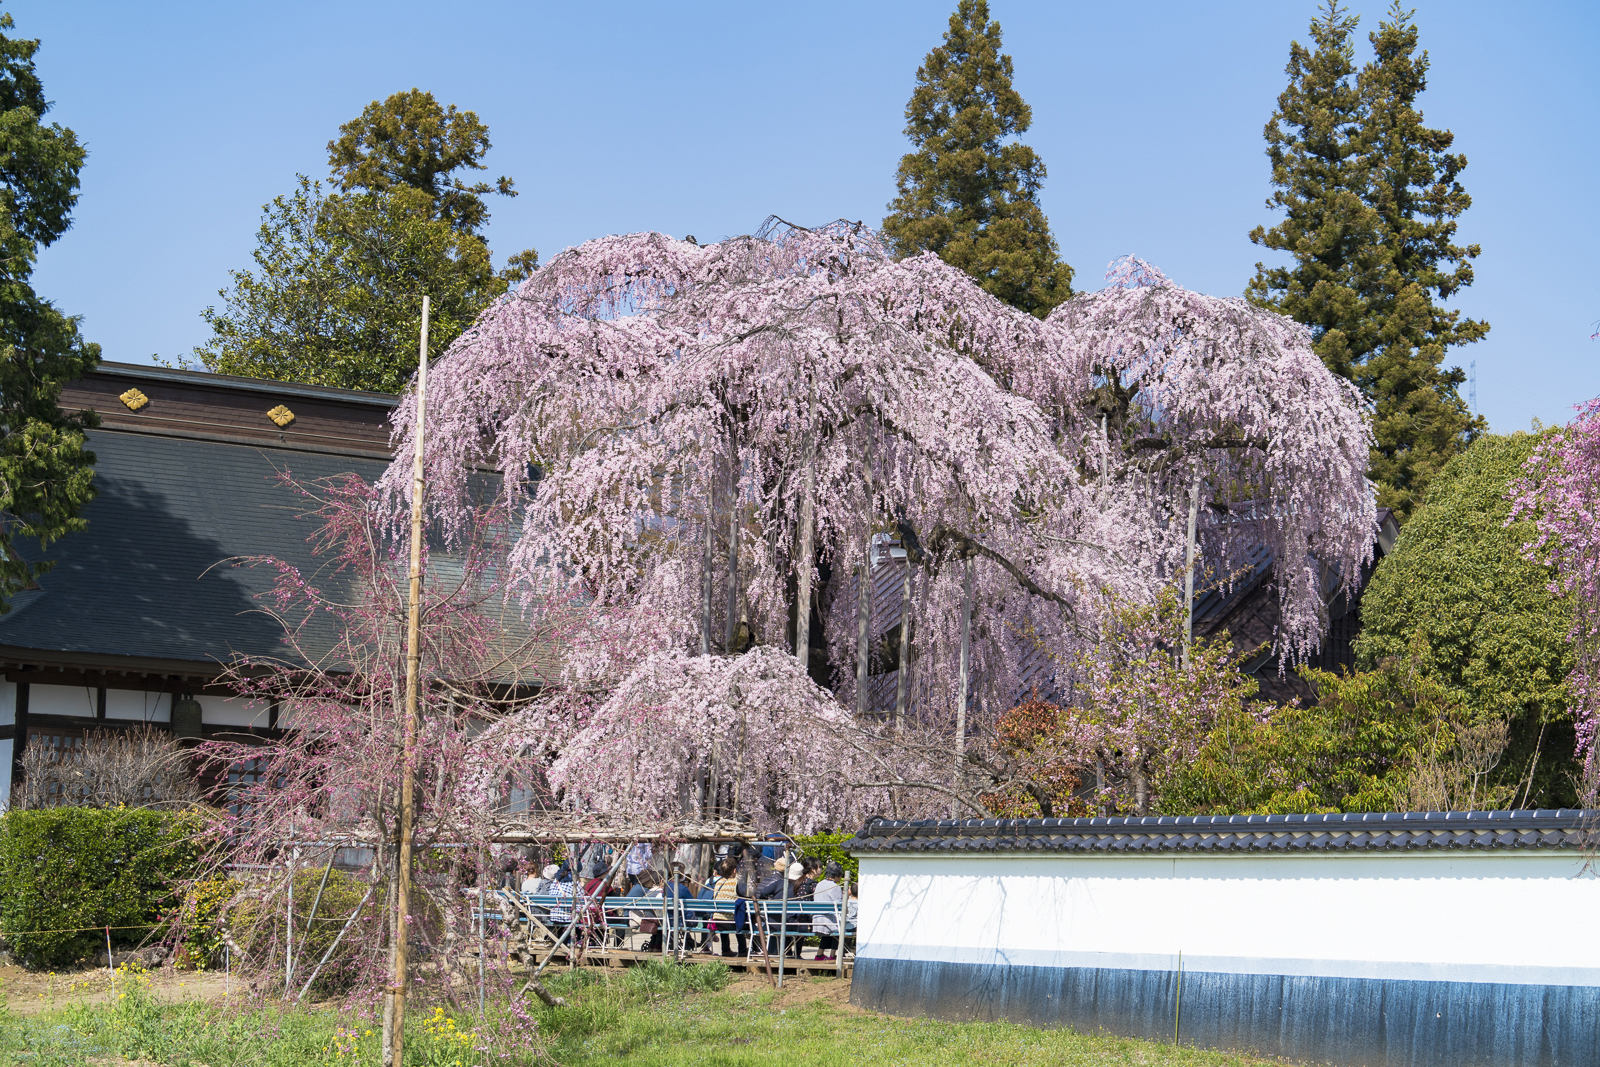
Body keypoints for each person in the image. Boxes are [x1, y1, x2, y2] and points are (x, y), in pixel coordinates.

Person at [707, 857, 744, 958]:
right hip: (733, 923)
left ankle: (726, 949)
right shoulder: (736, 882)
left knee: (723, 915)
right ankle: (743, 950)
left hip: (718, 922)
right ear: (735, 870)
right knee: (740, 918)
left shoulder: (718, 882)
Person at [811, 862, 845, 961]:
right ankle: (832, 955)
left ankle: (820, 954)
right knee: (840, 924)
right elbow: (839, 907)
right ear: (837, 875)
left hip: (817, 920)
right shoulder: (836, 887)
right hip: (828, 921)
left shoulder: (819, 884)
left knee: (832, 921)